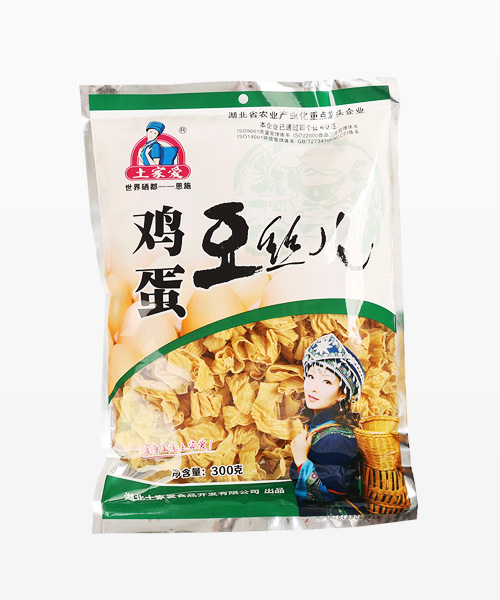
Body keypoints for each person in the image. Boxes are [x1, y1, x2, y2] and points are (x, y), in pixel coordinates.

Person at [290, 332, 366, 516]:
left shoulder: (336, 437)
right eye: (311, 376)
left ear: (342, 394)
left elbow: (331, 492)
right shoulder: (321, 427)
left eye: (326, 381)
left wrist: (301, 459)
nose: (313, 387)